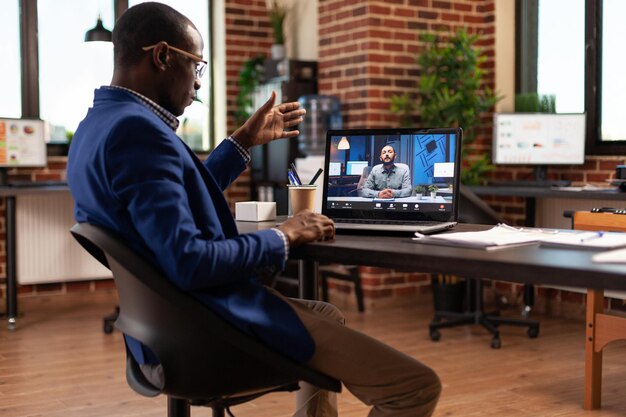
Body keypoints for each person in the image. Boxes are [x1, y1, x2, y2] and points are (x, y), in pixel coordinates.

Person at [67, 3, 440, 416]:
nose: (197, 85)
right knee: (416, 387)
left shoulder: (100, 124)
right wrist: (285, 235)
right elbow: (189, 261)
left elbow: (175, 196)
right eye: (196, 67)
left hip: (161, 331)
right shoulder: (138, 131)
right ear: (162, 56)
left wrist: (241, 141)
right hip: (208, 331)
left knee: (327, 314)